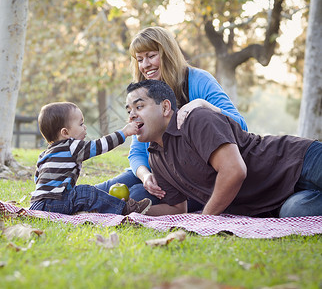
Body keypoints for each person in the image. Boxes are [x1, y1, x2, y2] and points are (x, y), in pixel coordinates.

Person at [95, 26, 248, 211]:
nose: (145, 65)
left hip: (193, 176)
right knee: (101, 191)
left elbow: (240, 126)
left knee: (136, 196)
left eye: (151, 56)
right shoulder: (144, 95)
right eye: (140, 59)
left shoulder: (198, 80)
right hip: (156, 170)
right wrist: (145, 176)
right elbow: (137, 152)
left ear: (167, 53)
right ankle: (58, 200)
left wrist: (202, 104)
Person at [125, 79, 322, 217]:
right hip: (281, 201)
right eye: (129, 110)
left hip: (299, 160)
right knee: (296, 212)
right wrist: (131, 209)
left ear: (166, 108)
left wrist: (206, 218)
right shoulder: (156, 158)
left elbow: (234, 171)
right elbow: (177, 209)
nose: (132, 115)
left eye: (139, 106)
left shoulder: (196, 119)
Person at [29, 102, 152, 215]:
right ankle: (124, 208)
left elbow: (38, 179)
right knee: (86, 192)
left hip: (37, 204)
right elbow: (100, 145)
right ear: (65, 133)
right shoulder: (71, 146)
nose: (85, 127)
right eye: (81, 124)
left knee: (78, 194)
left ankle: (86, 209)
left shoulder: (44, 154)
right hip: (55, 202)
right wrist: (124, 132)